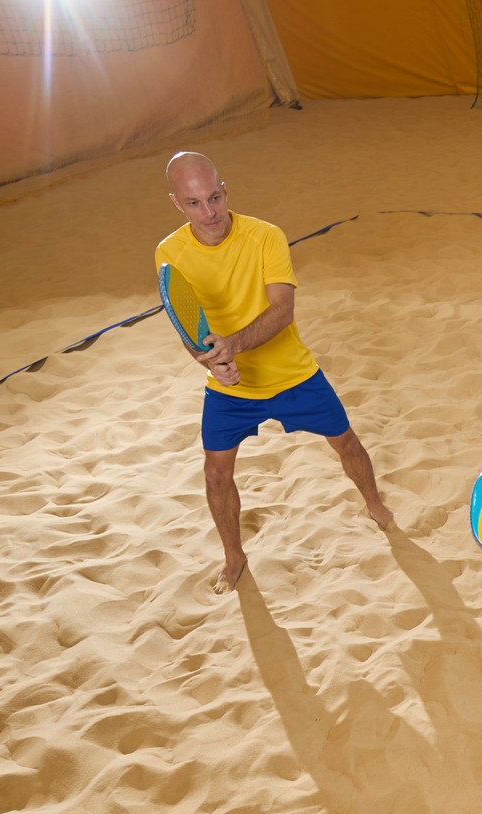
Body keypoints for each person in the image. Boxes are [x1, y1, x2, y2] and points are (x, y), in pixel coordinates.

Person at [156, 151, 394, 594]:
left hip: (292, 375)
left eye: (213, 197)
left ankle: (376, 505)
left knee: (346, 443)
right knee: (214, 475)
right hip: (229, 389)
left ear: (225, 189)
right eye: (193, 204)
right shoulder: (169, 253)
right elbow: (189, 328)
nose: (208, 213)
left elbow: (282, 311)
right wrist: (210, 361)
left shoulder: (265, 236)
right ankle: (234, 556)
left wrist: (234, 346)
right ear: (176, 203)